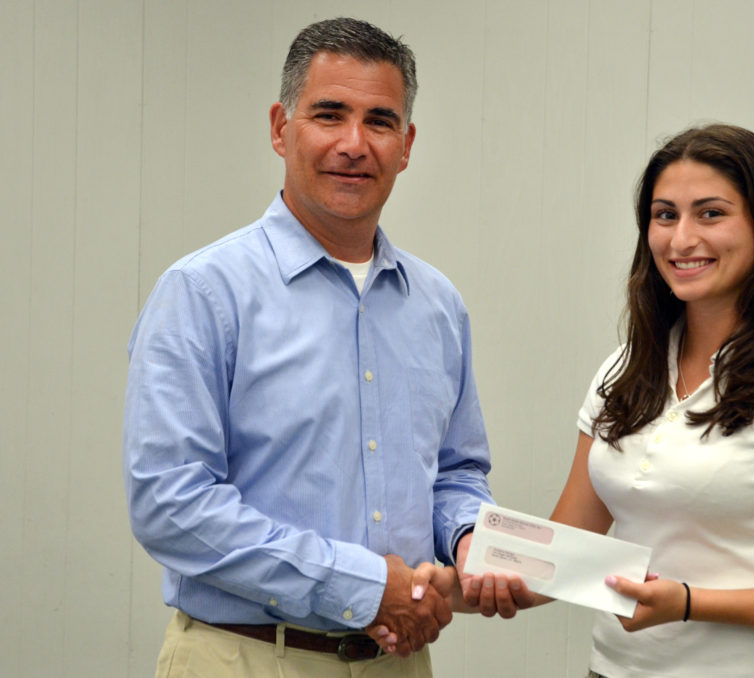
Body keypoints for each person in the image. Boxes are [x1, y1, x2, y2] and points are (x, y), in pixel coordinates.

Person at [461, 123, 754, 677]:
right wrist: (447, 585)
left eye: (711, 213)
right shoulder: (623, 369)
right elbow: (563, 556)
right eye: (665, 214)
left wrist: (690, 603)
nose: (681, 239)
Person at [123, 17, 493, 678]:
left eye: (379, 121)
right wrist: (360, 584)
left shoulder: (437, 305)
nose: (355, 144)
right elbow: (170, 506)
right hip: (245, 657)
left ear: (405, 146)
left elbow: (458, 472)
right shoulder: (204, 294)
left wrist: (470, 541)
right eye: (329, 114)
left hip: (398, 662)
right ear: (279, 127)